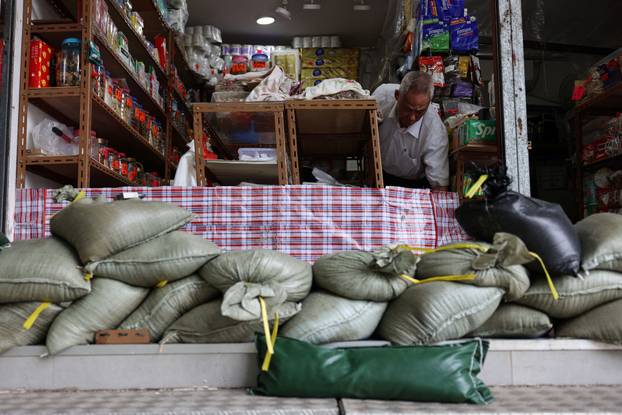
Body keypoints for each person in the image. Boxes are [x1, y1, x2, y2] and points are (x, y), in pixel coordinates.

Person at [372, 71, 449, 191]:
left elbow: (439, 185)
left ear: (429, 104)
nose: (412, 117)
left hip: (412, 184)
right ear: (397, 96)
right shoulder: (382, 97)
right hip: (377, 172)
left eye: (419, 112)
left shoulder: (435, 132)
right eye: (408, 109)